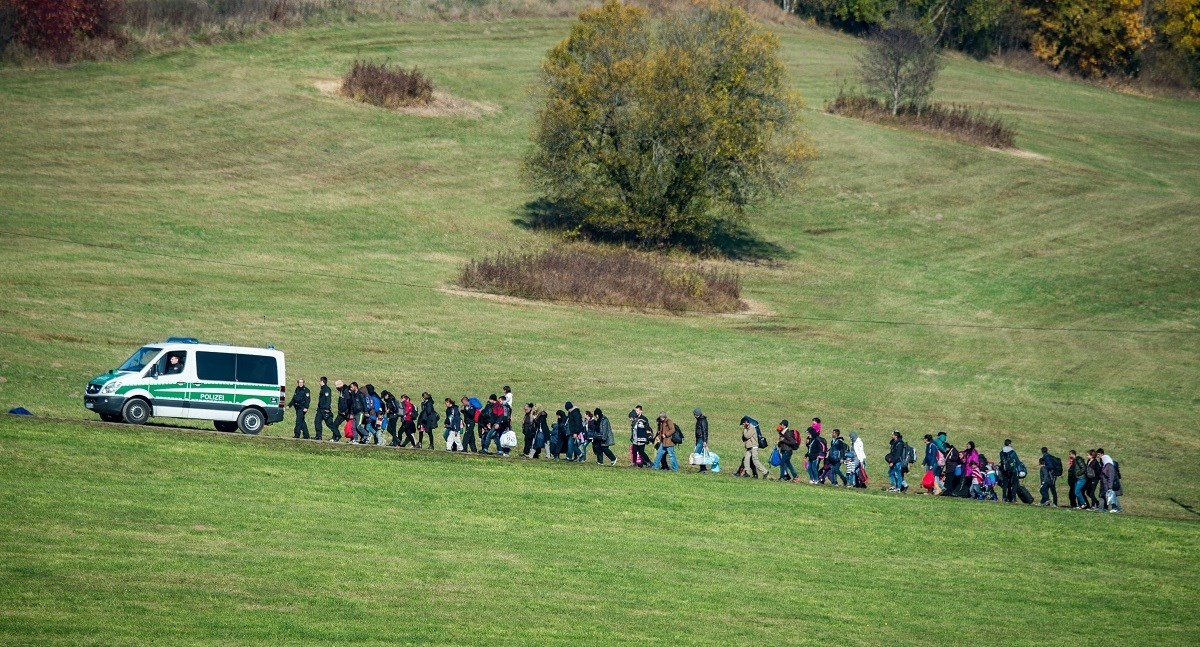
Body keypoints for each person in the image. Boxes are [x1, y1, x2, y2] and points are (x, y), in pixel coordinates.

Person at [1098, 448, 1123, 513]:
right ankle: (1104, 508)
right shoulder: (1106, 465)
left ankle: (1115, 508)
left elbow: (1111, 477)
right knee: (1105, 496)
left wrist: (1110, 487)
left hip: (1109, 485)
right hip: (1105, 485)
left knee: (1112, 496)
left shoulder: (1109, 466)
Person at [313, 377, 334, 441]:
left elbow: (328, 400)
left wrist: (327, 408)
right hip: (320, 409)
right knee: (317, 421)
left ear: (322, 382)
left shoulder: (326, 389)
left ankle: (337, 434)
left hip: (324, 409)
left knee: (329, 423)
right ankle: (318, 436)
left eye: (320, 381)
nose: (319, 382)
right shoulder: (322, 389)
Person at [693, 408, 710, 473]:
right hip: (699, 439)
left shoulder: (702, 420)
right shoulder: (700, 420)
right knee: (701, 455)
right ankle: (703, 468)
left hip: (701, 439)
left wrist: (705, 441)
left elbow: (704, 431)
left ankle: (695, 463)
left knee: (697, 453)